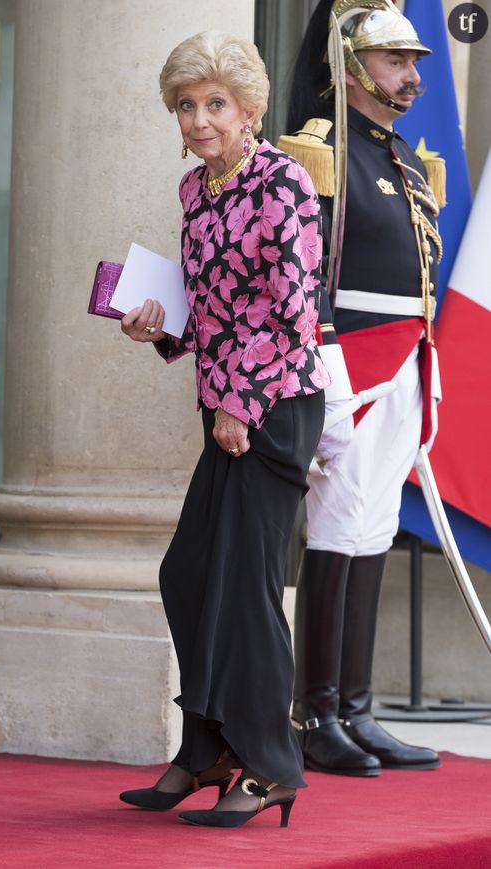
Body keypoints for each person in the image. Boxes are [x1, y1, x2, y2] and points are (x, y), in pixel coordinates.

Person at [118, 30, 330, 827]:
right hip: (227, 402)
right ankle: (205, 750)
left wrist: (241, 402)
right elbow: (211, 310)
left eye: (214, 104)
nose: (199, 119)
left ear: (249, 111)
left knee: (245, 589)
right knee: (191, 574)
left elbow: (291, 314)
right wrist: (158, 327)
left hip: (273, 405)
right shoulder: (195, 191)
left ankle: (271, 764)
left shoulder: (282, 184)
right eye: (185, 105)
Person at [280, 0, 443, 776]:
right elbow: (307, 275)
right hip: (348, 362)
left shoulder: (406, 159)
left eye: (414, 62)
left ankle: (357, 706)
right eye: (394, 62)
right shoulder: (321, 151)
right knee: (336, 525)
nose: (412, 76)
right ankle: (314, 711)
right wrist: (327, 378)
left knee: (374, 523)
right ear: (350, 66)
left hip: (408, 357)